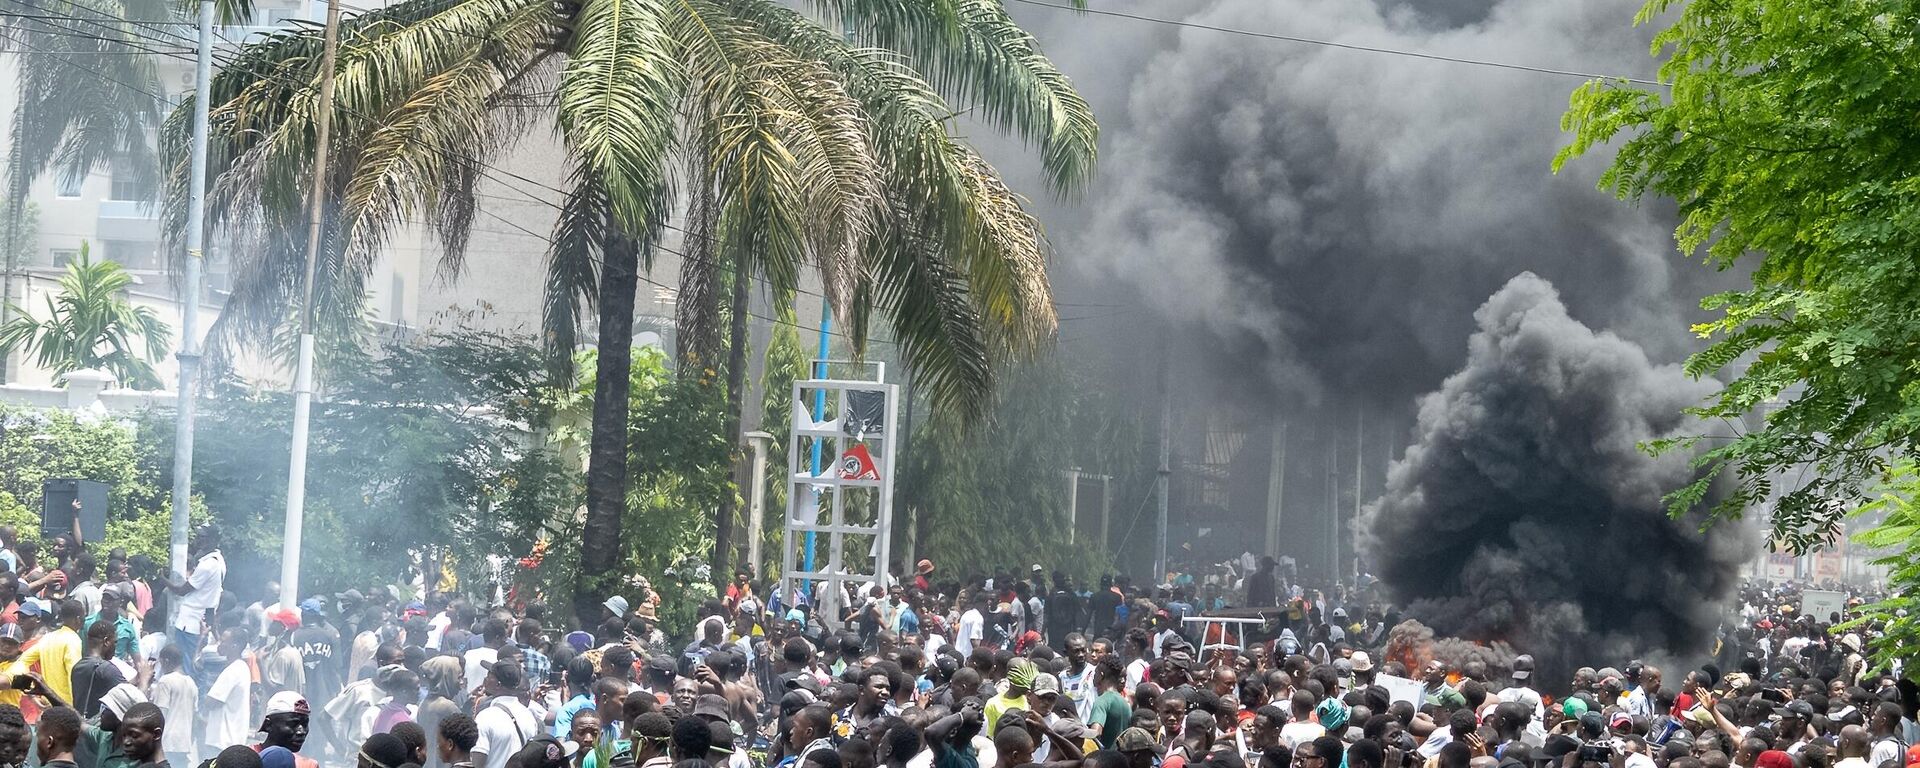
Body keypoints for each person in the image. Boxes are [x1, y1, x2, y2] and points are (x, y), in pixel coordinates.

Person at [161, 528, 223, 681]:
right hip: (200, 620)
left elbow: (182, 590)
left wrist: (162, 579)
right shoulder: (218, 561)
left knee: (188, 666)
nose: (199, 540)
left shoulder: (208, 565)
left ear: (213, 539)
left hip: (191, 623)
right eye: (199, 536)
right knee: (195, 664)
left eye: (204, 537)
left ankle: (190, 700)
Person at [471, 662, 539, 768]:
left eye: (489, 677)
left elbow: (477, 761)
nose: (485, 680)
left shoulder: (486, 717)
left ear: (498, 685)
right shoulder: (529, 717)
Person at [203, 627, 255, 756]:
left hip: (222, 740)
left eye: (223, 641)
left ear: (235, 646)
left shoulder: (233, 670)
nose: (219, 645)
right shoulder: (241, 667)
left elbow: (212, 701)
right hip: (232, 740)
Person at [149, 645, 196, 768]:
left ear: (166, 661)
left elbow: (160, 713)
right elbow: (194, 715)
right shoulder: (191, 683)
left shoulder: (166, 680)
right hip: (184, 743)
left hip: (167, 742)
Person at [69, 619, 123, 718]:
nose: (116, 647)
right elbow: (134, 702)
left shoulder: (78, 667)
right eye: (115, 642)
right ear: (106, 641)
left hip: (81, 726)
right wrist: (145, 679)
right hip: (98, 731)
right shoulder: (106, 670)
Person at [257, 692, 319, 768]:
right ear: (268, 725)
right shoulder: (245, 760)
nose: (301, 732)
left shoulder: (308, 765)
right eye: (293, 724)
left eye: (305, 724)